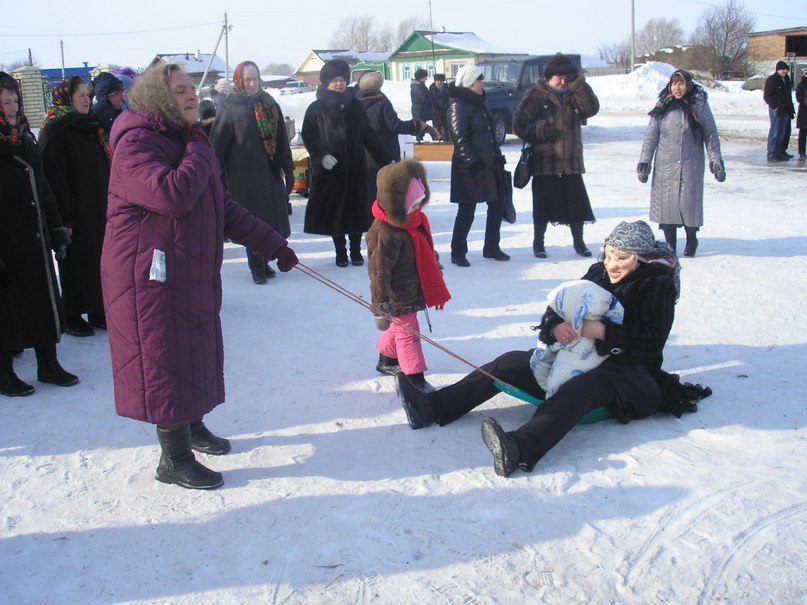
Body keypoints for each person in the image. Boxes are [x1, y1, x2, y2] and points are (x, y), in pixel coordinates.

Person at [101, 63, 299, 489]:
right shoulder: (137, 143)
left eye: (191, 88)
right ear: (157, 98)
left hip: (184, 268)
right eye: (178, 91)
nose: (190, 96)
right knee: (165, 357)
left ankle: (190, 424)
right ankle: (172, 459)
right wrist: (198, 150)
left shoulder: (184, 139)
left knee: (192, 348)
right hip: (147, 276)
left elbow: (223, 208)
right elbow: (170, 195)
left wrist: (273, 244)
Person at [395, 220, 711, 477]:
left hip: (626, 373)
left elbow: (650, 343)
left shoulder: (657, 285)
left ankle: (519, 448)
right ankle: (432, 408)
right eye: (610, 254)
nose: (613, 264)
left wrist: (603, 331)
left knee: (580, 389)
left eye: (623, 258)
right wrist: (554, 326)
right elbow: (561, 304)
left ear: (640, 258)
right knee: (507, 363)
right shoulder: (599, 271)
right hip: (574, 357)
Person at [0, 71, 78, 397]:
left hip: (33, 234)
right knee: (7, 307)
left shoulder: (24, 137)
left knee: (43, 298)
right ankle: (4, 373)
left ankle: (48, 363)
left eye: (14, 100)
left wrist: (56, 227)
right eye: (4, 102)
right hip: (7, 238)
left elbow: (42, 186)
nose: (11, 107)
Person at [366, 159, 450, 389]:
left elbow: (424, 249)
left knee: (400, 327)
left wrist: (434, 263)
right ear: (396, 205)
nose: (418, 209)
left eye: (420, 203)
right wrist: (380, 304)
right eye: (413, 205)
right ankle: (414, 378)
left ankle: (387, 359)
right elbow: (378, 272)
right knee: (408, 333)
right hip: (396, 295)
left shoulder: (414, 221)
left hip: (412, 287)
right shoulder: (384, 233)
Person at [38, 76, 112, 337]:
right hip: (73, 211)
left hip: (96, 207)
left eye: (87, 94)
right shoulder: (55, 130)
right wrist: (64, 218)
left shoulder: (89, 126)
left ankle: (96, 308)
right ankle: (72, 313)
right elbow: (54, 178)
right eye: (80, 94)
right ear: (65, 98)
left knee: (97, 259)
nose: (86, 99)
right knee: (76, 263)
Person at [211, 60, 295, 284]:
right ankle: (256, 266)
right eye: (247, 79)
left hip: (269, 172)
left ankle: (265, 261)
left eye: (255, 79)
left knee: (269, 221)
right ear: (239, 80)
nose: (251, 83)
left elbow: (281, 139)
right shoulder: (230, 107)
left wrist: (288, 168)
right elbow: (216, 146)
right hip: (243, 177)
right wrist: (217, 177)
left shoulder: (268, 103)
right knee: (251, 220)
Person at [302, 59, 392, 267]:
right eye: (335, 80)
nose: (339, 83)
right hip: (331, 170)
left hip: (355, 168)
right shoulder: (316, 108)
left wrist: (386, 158)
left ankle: (355, 250)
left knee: (355, 212)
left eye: (342, 79)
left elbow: (368, 135)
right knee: (337, 213)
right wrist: (321, 155)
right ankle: (340, 251)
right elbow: (309, 135)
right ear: (326, 82)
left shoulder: (355, 106)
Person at [512, 53, 599, 259]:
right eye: (558, 77)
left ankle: (579, 243)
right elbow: (519, 125)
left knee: (576, 205)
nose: (562, 81)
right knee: (542, 207)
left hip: (571, 162)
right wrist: (541, 130)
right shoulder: (535, 95)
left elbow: (591, 109)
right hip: (545, 163)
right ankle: (538, 243)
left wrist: (579, 84)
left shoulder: (573, 94)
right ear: (549, 77)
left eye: (567, 77)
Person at [637, 69, 724, 258]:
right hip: (665, 166)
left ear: (688, 85)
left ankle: (692, 239)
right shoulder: (662, 106)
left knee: (689, 206)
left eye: (681, 84)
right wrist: (645, 162)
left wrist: (716, 160)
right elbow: (651, 137)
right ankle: (670, 243)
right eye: (674, 84)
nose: (677, 88)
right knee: (667, 207)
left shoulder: (699, 106)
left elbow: (710, 134)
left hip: (690, 164)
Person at [446, 64, 510, 267]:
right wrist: (473, 163)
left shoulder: (479, 103)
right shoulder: (458, 106)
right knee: (467, 210)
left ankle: (491, 247)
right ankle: (458, 251)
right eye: (478, 80)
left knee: (497, 205)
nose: (482, 83)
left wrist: (496, 157)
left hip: (489, 165)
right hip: (469, 167)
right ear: (468, 83)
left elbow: (489, 135)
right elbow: (460, 139)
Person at [355, 71, 425, 212]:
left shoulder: (355, 103)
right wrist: (415, 126)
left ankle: (369, 216)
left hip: (363, 151)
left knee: (368, 186)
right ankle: (384, 214)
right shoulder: (382, 102)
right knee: (386, 186)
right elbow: (394, 125)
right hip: (384, 150)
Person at [763, 61, 795, 162]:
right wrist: (775, 106)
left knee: (783, 132)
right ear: (778, 69)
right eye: (783, 69)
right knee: (775, 131)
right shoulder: (772, 80)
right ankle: (771, 153)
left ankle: (779, 152)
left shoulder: (786, 79)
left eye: (786, 70)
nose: (786, 71)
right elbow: (767, 96)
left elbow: (788, 96)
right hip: (776, 109)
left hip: (785, 109)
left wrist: (791, 109)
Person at [90, 72, 125, 136]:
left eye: (121, 92)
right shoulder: (95, 115)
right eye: (118, 93)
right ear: (107, 96)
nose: (121, 97)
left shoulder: (119, 113)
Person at [410, 68, 434, 142]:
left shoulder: (419, 85)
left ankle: (420, 139)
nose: (426, 78)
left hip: (421, 109)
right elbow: (424, 98)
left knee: (421, 125)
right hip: (419, 110)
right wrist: (433, 100)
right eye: (425, 77)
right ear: (421, 77)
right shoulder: (418, 86)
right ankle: (419, 140)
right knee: (421, 125)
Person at [429, 73, 450, 141]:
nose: (439, 82)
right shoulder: (432, 89)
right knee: (437, 130)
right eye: (438, 80)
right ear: (435, 81)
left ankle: (448, 142)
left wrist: (446, 106)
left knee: (447, 129)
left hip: (446, 111)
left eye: (441, 81)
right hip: (436, 112)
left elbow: (450, 99)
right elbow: (430, 101)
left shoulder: (447, 88)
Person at [795, 72, 807, 161]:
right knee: (803, 133)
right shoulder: (801, 85)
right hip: (804, 112)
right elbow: (798, 98)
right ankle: (801, 152)